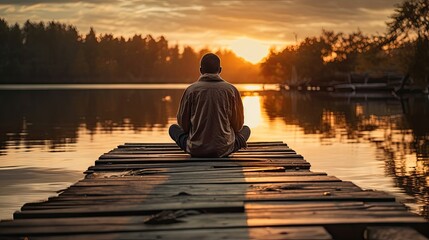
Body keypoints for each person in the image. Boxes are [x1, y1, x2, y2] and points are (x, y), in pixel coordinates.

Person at [169, 53, 251, 157]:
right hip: (224, 149)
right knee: (246, 129)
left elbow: (183, 126)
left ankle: (196, 146)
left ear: (201, 70)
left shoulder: (190, 90)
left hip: (196, 149)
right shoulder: (232, 90)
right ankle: (224, 146)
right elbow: (238, 126)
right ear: (220, 70)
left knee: (173, 129)